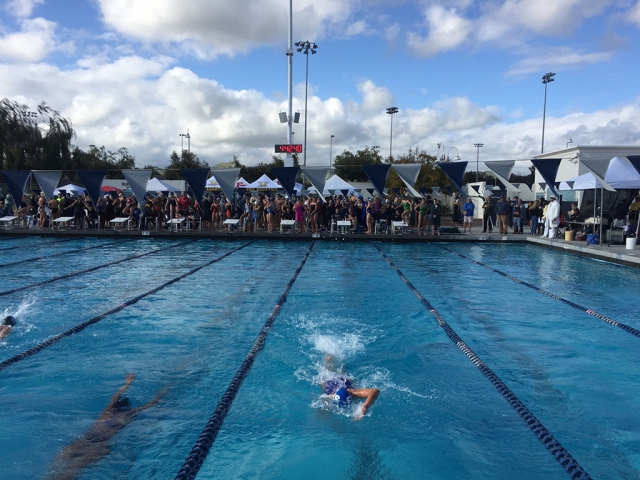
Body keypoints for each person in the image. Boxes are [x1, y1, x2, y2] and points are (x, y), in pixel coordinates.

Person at [47, 373, 167, 480]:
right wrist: (127, 384)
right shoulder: (107, 412)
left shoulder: (127, 415)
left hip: (100, 445)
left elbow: (150, 404)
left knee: (75, 466)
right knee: (63, 454)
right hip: (86, 439)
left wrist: (163, 392)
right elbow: (116, 396)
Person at [322, 356, 380, 421]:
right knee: (327, 375)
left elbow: (375, 391)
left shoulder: (353, 392)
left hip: (345, 382)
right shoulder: (329, 396)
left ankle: (333, 360)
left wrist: (365, 406)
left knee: (341, 374)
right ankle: (329, 360)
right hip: (330, 384)